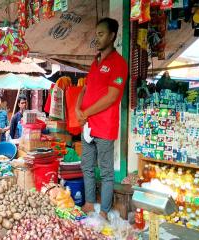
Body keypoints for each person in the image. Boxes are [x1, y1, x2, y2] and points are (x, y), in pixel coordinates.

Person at [75, 18, 128, 220]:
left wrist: (86, 113)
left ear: (112, 36)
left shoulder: (119, 63)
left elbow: (112, 96)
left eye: (101, 34)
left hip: (105, 127)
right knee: (86, 166)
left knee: (105, 171)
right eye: (96, 34)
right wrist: (78, 109)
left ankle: (104, 211)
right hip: (87, 126)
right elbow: (86, 88)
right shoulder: (95, 62)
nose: (96, 38)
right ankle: (89, 204)